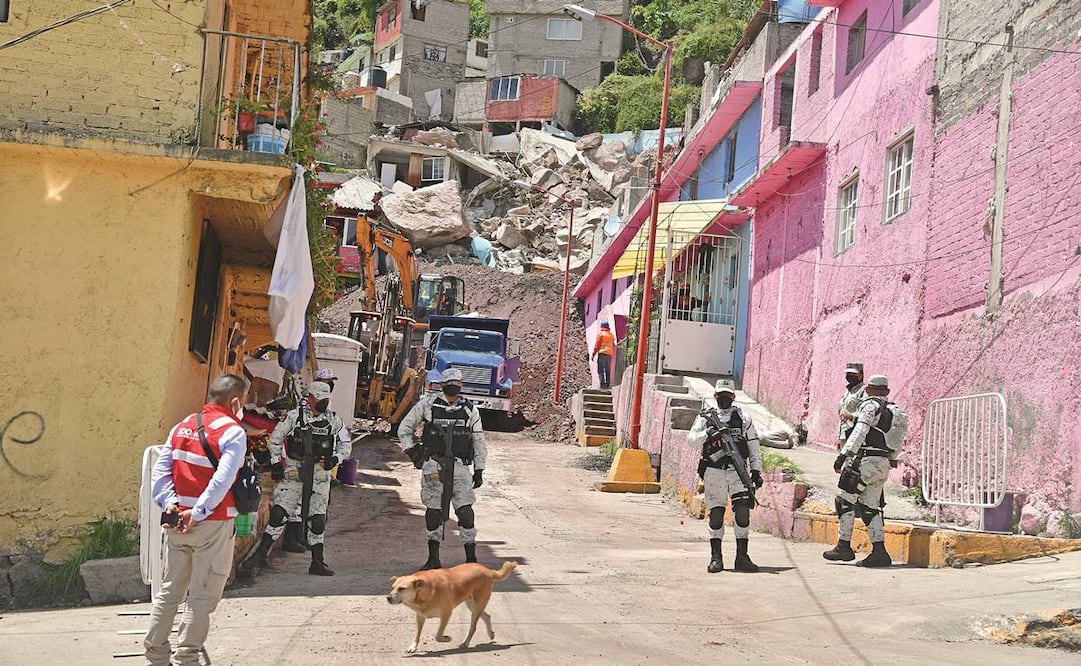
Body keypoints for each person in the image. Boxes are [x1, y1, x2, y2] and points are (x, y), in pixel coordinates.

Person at [144, 374, 250, 665]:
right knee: (202, 596)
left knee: (169, 591)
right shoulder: (233, 432)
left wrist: (172, 504)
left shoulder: (183, 425)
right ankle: (187, 657)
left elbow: (161, 471)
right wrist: (200, 511)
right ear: (235, 401)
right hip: (212, 524)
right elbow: (223, 479)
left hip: (177, 522)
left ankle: (155, 656)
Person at [240, 381, 349, 577]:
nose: (323, 402)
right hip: (294, 472)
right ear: (310, 398)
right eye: (319, 398)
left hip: (320, 475)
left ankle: (317, 562)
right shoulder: (294, 417)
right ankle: (260, 556)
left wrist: (335, 459)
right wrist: (275, 463)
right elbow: (276, 439)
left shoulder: (334, 421)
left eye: (326, 399)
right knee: (279, 514)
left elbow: (345, 445)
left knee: (317, 520)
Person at [397, 368, 488, 570]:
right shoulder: (428, 405)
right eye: (450, 383)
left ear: (462, 385)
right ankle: (433, 558)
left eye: (457, 383)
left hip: (460, 465)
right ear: (442, 385)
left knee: (465, 511)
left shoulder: (469, 409)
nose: (453, 386)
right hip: (434, 464)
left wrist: (480, 468)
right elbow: (404, 428)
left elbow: (478, 439)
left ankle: (471, 559)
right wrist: (411, 451)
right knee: (433, 511)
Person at [688, 379, 764, 573]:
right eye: (720, 395)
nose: (724, 398)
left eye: (727, 395)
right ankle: (716, 558)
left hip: (738, 471)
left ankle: (742, 557)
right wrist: (708, 433)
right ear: (715, 396)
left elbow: (753, 444)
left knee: (742, 511)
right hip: (714, 471)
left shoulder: (743, 417)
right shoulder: (706, 417)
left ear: (733, 397)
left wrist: (756, 470)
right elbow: (692, 441)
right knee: (716, 514)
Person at [823, 374, 894, 568]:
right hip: (883, 463)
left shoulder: (869, 406)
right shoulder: (894, 410)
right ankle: (879, 552)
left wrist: (843, 455)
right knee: (870, 507)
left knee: (844, 500)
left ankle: (843, 546)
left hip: (865, 461)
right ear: (886, 391)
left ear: (868, 390)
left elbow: (860, 431)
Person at [837, 362, 865, 450]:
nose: (850, 376)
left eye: (853, 374)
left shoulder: (864, 391)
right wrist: (839, 437)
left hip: (855, 434)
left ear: (861, 375)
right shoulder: (847, 391)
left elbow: (866, 413)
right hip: (844, 434)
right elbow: (842, 415)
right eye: (848, 374)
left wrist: (852, 416)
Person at [591, 321, 617, 390]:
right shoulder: (611, 335)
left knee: (601, 370)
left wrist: (593, 354)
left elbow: (597, 345)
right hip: (609, 355)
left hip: (602, 354)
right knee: (607, 370)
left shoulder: (601, 334)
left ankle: (602, 385)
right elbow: (613, 343)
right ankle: (608, 384)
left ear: (602, 327)